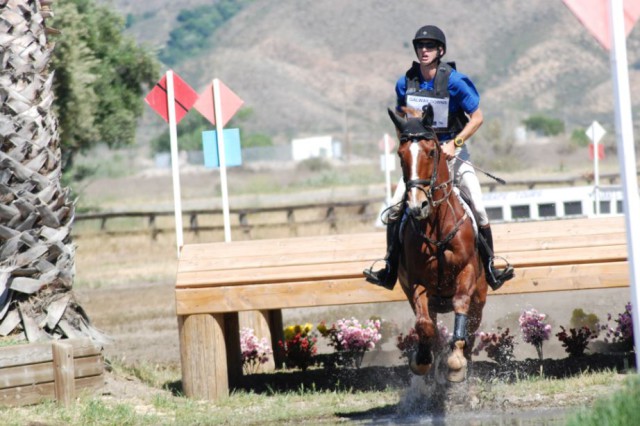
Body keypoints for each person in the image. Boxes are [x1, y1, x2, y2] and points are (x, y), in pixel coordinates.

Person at [363, 24, 514, 291]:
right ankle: (389, 267)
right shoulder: (405, 83)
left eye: (430, 47)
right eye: (421, 46)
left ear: (440, 51)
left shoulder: (455, 81)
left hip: (452, 152)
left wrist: (455, 143)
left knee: (477, 205)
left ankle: (490, 267)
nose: (424, 50)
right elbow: (407, 122)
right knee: (397, 207)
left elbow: (477, 118)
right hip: (423, 158)